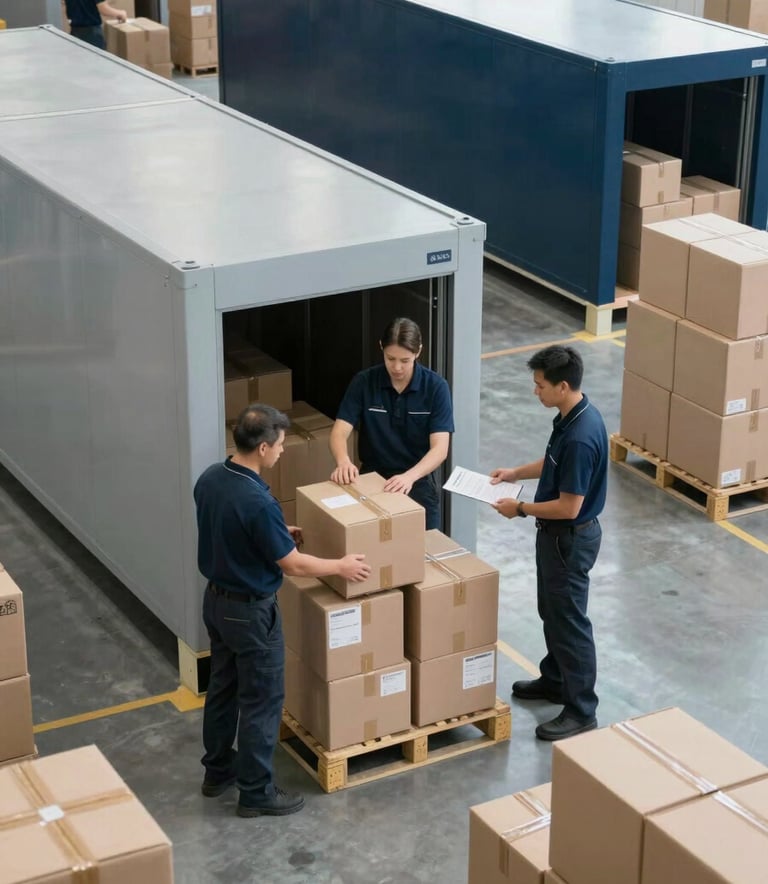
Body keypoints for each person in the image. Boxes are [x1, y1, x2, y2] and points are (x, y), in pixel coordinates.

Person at [193, 404, 371, 818]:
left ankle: (217, 772)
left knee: (223, 688)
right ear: (261, 447)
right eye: (278, 445)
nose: (282, 452)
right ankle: (256, 792)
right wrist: (341, 567)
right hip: (251, 614)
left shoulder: (211, 478)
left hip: (217, 603)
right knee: (261, 700)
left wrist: (275, 536)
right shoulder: (258, 500)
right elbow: (294, 566)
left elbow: (229, 529)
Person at [490, 345, 607, 742]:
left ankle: (581, 709)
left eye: (540, 386)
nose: (535, 391)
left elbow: (569, 507)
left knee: (570, 621)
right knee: (551, 611)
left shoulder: (581, 436)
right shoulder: (569, 417)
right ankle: (556, 679)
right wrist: (514, 473)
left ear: (562, 385)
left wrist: (520, 508)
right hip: (556, 539)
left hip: (568, 539)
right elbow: (550, 460)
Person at [329, 317, 454, 530]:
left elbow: (440, 449)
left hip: (416, 480)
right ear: (381, 348)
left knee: (425, 550)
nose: (397, 367)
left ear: (418, 351)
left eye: (405, 360)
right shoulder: (364, 382)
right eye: (390, 358)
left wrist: (409, 477)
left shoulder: (436, 387)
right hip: (371, 477)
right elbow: (339, 432)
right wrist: (343, 461)